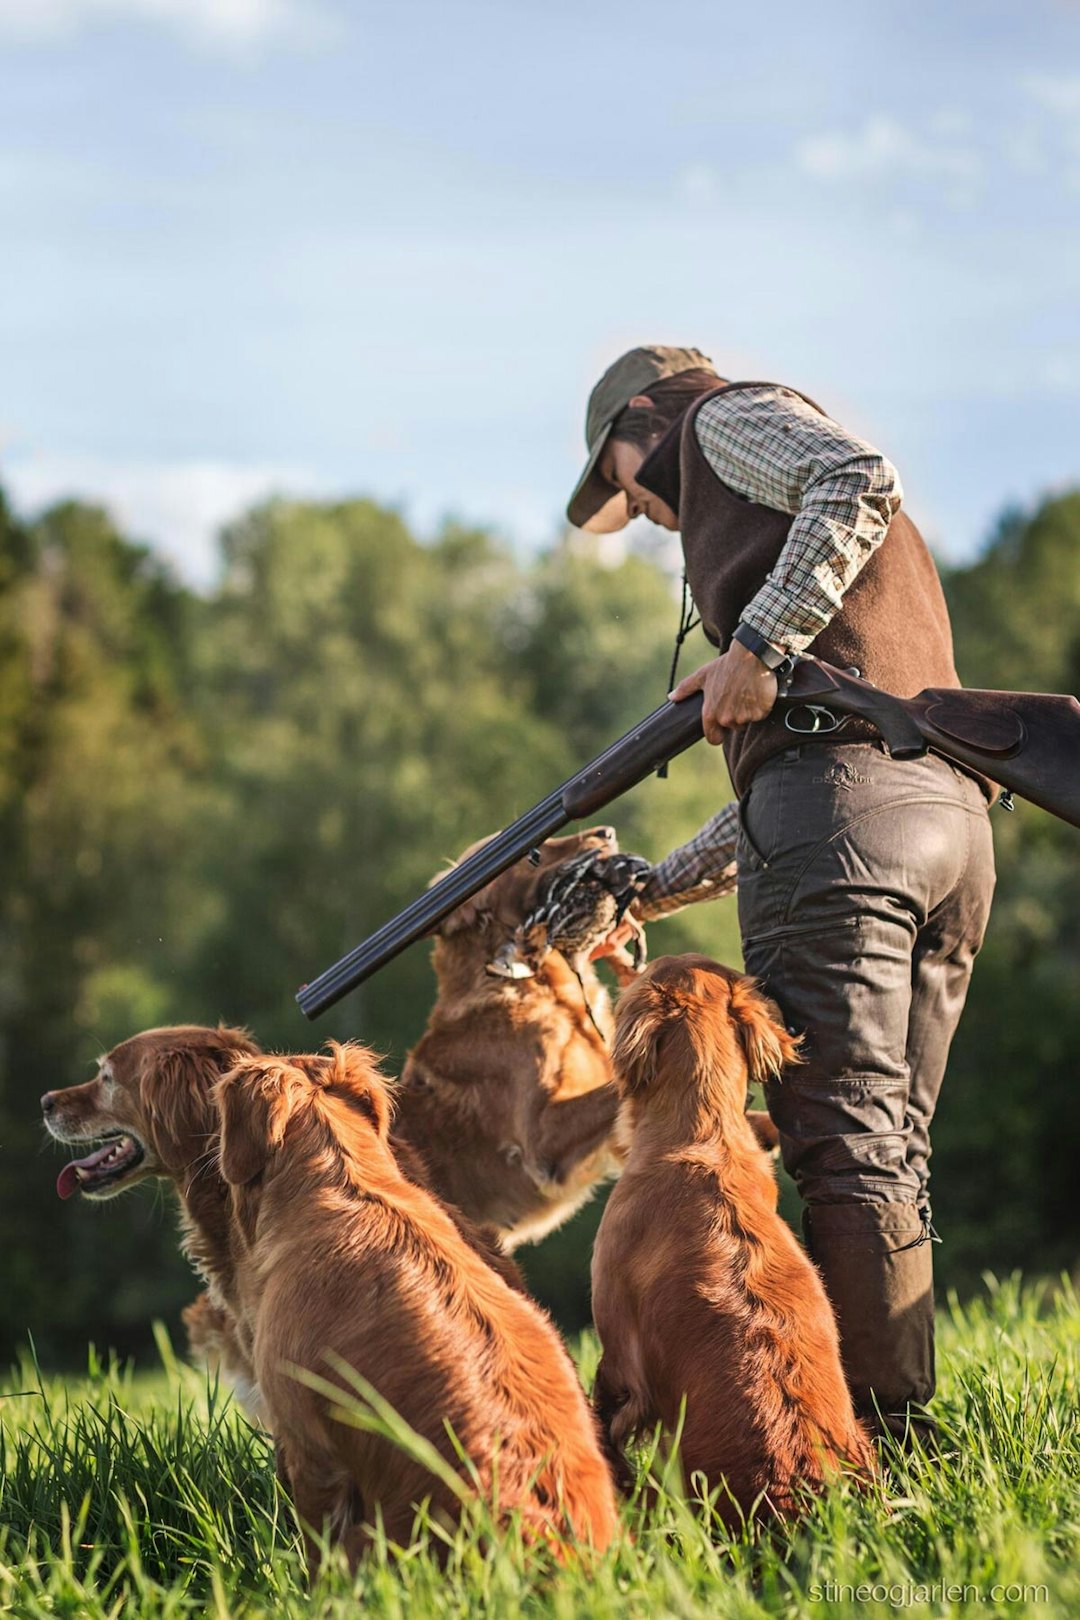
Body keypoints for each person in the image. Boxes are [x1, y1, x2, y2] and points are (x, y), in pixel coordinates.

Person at [567, 345, 996, 1444]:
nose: (641, 509)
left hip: (847, 816)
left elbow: (857, 477)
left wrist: (754, 639)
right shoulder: (747, 494)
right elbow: (795, 773)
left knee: (851, 1151)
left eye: (621, 476)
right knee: (884, 1147)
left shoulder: (719, 424)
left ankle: (880, 1450)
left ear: (643, 418)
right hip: (943, 824)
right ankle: (891, 1429)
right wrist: (656, 891)